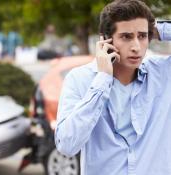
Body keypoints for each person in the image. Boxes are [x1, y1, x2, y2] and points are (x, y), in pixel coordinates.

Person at [55, 0, 171, 174]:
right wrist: (102, 80)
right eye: (126, 37)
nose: (136, 47)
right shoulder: (80, 79)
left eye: (142, 36)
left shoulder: (163, 74)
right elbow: (66, 145)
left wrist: (157, 29)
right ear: (105, 39)